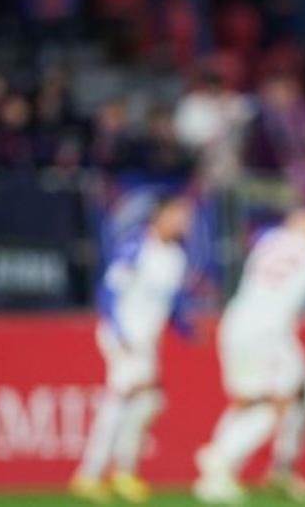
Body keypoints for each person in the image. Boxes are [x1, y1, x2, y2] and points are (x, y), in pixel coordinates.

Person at [193, 207, 305, 504]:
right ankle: (221, 456)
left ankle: (217, 477)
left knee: (249, 400)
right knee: (280, 401)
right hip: (269, 331)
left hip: (236, 323)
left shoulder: (268, 241)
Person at [71, 193, 195, 503]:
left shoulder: (176, 257)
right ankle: (90, 474)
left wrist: (186, 330)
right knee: (125, 397)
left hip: (146, 341)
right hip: (125, 336)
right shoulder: (137, 247)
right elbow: (109, 290)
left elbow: (170, 303)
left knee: (146, 402)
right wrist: (120, 330)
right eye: (178, 215)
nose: (184, 222)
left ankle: (121, 471)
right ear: (160, 216)